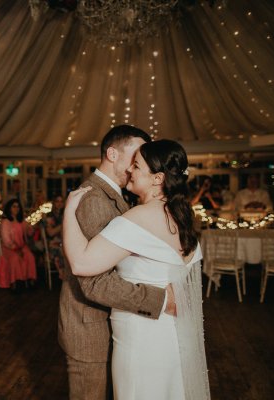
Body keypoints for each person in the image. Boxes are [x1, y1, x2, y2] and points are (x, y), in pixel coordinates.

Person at [63, 139, 210, 400]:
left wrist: (68, 212)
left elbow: (81, 263)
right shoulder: (181, 214)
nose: (131, 170)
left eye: (137, 166)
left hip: (142, 338)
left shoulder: (139, 217)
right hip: (170, 335)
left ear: (157, 178)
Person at [57, 125, 169, 400]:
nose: (136, 165)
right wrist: (160, 299)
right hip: (88, 324)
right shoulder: (93, 198)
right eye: (135, 156)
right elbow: (96, 281)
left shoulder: (114, 196)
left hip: (104, 321)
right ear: (112, 154)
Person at [0, 198, 37, 290]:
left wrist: (32, 228)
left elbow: (28, 232)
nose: (16, 208)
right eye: (14, 206)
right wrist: (16, 249)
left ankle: (30, 280)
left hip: (21, 246)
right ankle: (15, 282)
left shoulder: (21, 220)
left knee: (30, 256)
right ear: (9, 208)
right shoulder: (5, 222)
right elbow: (6, 240)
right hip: (8, 248)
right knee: (15, 258)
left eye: (18, 206)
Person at [45, 194, 65, 279]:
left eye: (61, 201)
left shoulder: (66, 214)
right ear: (54, 203)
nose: (59, 203)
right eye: (57, 201)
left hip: (65, 242)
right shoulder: (50, 216)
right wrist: (62, 225)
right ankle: (62, 274)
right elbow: (50, 233)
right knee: (58, 250)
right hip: (54, 243)